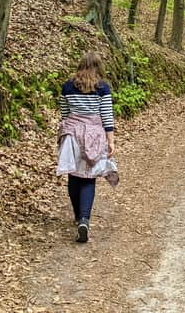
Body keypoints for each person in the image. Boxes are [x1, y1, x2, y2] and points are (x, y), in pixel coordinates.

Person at [56, 51, 118, 243]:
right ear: (98, 67)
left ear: (80, 65)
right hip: (94, 135)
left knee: (74, 175)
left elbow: (64, 113)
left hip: (72, 134)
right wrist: (111, 140)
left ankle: (77, 216)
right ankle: (84, 219)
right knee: (89, 177)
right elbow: (107, 115)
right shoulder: (102, 87)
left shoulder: (68, 86)